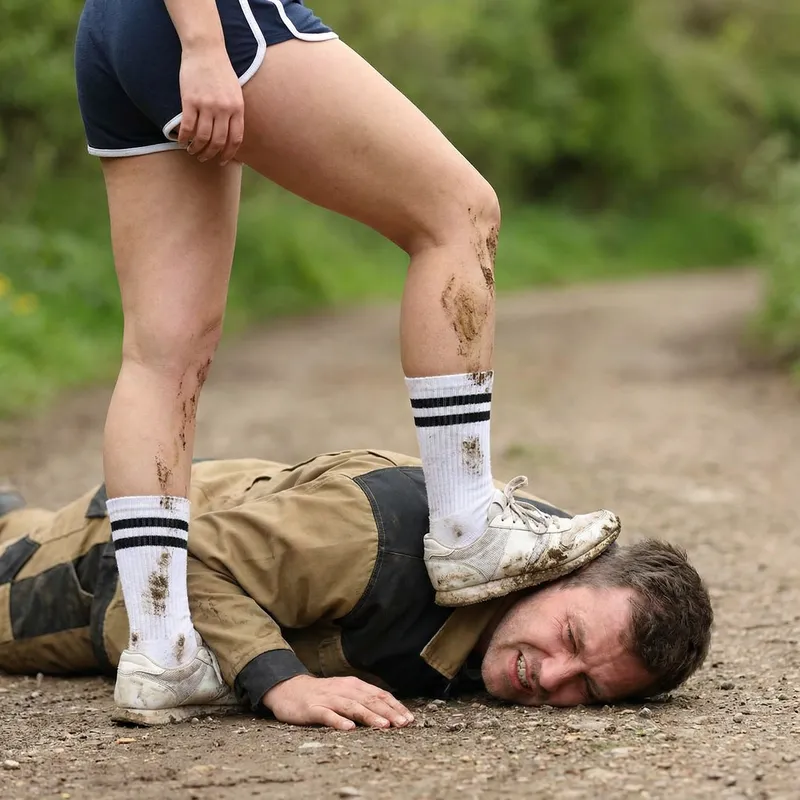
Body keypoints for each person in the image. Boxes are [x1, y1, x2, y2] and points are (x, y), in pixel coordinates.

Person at [72, 0, 621, 716]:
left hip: (117, 28)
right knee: (459, 213)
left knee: (160, 356)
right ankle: (468, 527)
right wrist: (203, 42)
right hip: (206, 21)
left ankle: (164, 652)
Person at [0, 450, 712, 728]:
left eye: (588, 688)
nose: (551, 677)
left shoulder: (518, 605)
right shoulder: (384, 540)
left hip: (252, 524)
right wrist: (282, 683)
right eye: (571, 638)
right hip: (115, 561)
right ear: (566, 571)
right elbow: (178, 558)